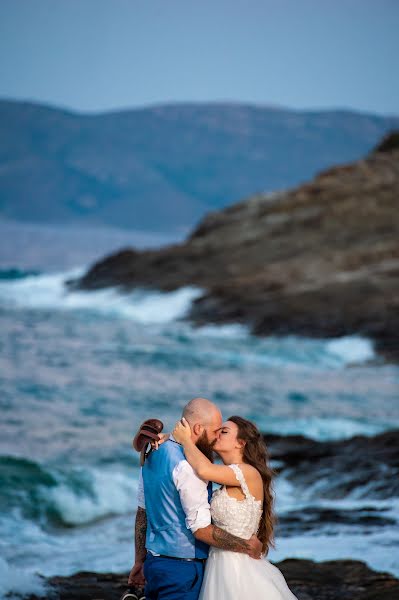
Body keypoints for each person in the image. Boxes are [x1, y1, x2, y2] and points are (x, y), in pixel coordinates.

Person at [128, 398, 263, 600]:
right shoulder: (190, 468)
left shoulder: (152, 454)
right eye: (217, 430)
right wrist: (247, 546)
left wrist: (139, 561)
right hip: (183, 571)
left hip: (154, 565)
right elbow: (200, 529)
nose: (217, 437)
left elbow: (142, 513)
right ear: (199, 428)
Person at [172, 415, 298, 600]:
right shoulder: (229, 476)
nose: (218, 434)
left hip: (239, 569)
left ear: (240, 443)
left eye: (224, 431)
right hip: (219, 564)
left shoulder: (248, 472)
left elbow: (204, 469)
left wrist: (184, 441)